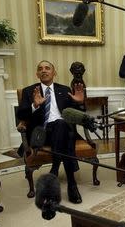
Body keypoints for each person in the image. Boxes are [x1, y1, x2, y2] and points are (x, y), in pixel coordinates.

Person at [16, 60, 84, 204]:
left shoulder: (64, 89)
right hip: (41, 134)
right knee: (64, 129)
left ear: (54, 73)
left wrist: (79, 102)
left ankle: (58, 173)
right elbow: (21, 115)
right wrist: (34, 105)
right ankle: (71, 184)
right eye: (40, 69)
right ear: (37, 74)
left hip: (62, 130)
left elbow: (78, 114)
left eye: (47, 68)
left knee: (61, 124)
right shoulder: (29, 91)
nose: (44, 71)